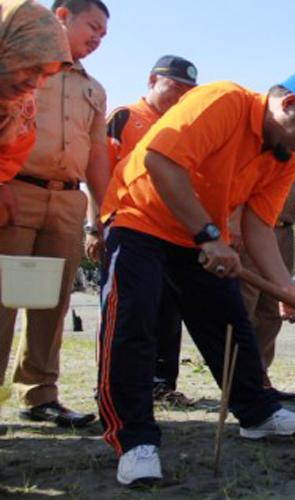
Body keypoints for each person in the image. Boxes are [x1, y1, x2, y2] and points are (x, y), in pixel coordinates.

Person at [97, 71, 295, 486]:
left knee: (230, 321)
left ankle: (258, 414)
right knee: (133, 321)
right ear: (290, 104)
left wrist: (286, 285)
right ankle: (134, 441)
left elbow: (258, 227)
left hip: (199, 236)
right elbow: (160, 160)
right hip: (138, 219)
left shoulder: (286, 158)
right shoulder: (224, 101)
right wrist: (209, 235)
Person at [0, 0, 109, 429]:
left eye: (105, 35)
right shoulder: (16, 58)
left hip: (67, 200)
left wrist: (103, 212)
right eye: (93, 26)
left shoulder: (94, 89)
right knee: (4, 298)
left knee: (53, 302)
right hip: (15, 191)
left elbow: (97, 151)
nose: (98, 38)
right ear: (61, 16)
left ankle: (40, 393)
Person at [101, 55, 198, 406]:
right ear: (153, 79)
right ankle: (115, 384)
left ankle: (161, 383)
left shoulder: (184, 126)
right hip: (128, 224)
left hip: (171, 230)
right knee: (128, 309)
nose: (180, 95)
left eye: (188, 91)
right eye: (175, 86)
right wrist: (98, 223)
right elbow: (101, 169)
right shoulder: (125, 116)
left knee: (168, 309)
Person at [238, 147, 295, 401]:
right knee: (244, 307)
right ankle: (239, 381)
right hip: (251, 230)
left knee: (271, 311)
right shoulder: (265, 142)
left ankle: (261, 376)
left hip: (284, 232)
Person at [0, 0, 72, 225]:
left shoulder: (21, 114)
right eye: (30, 67)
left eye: (47, 75)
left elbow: (6, 163)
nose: (35, 83)